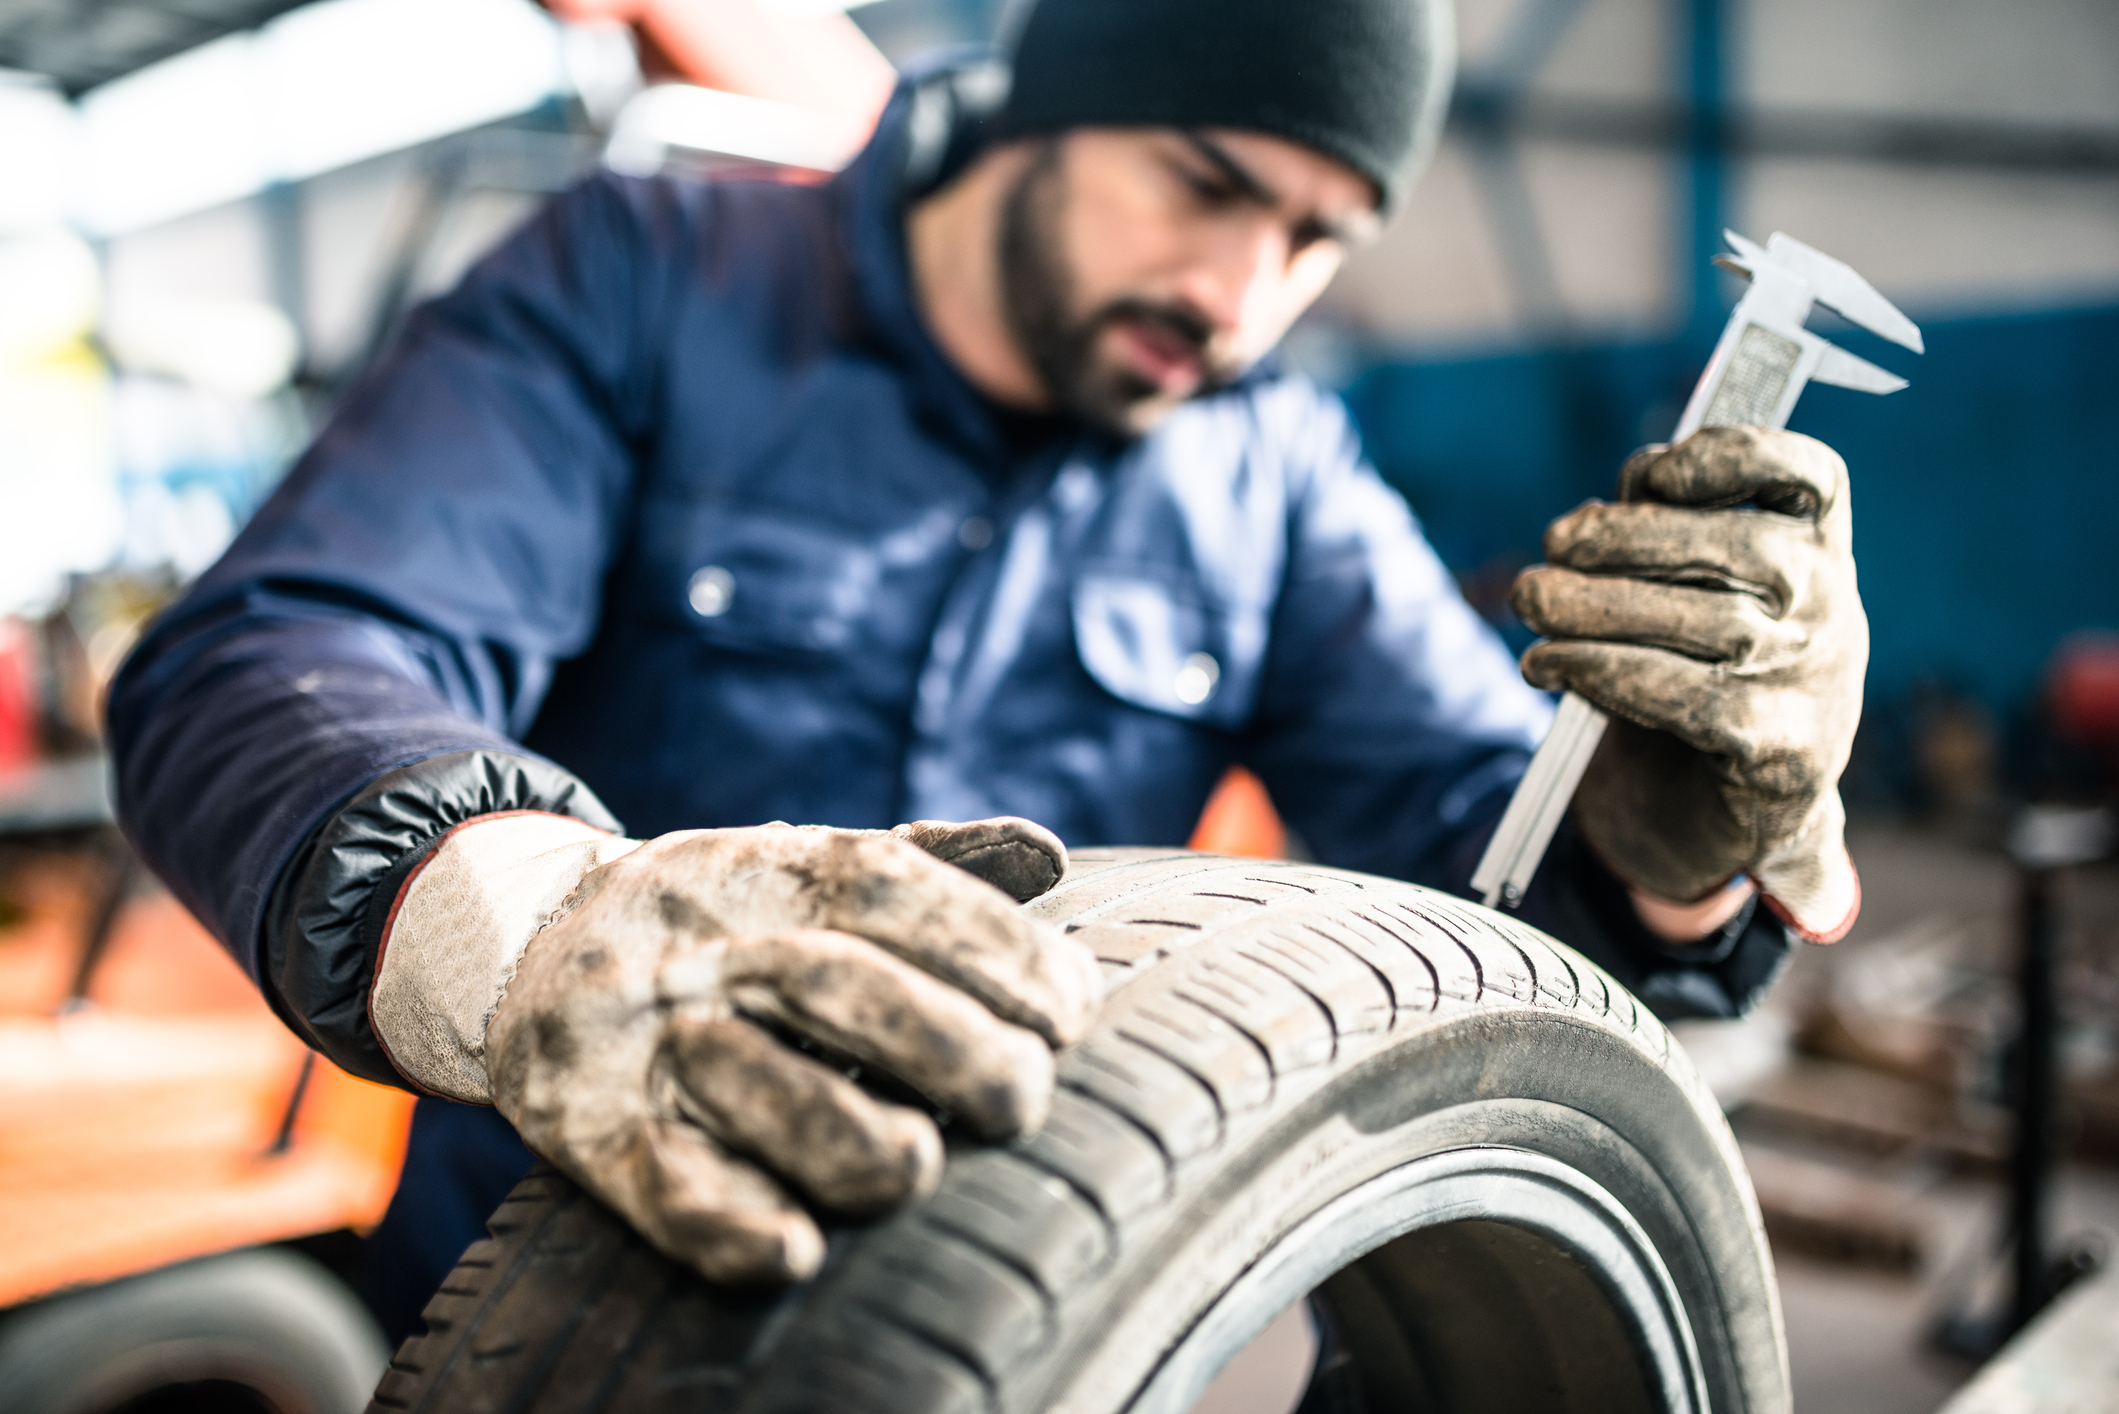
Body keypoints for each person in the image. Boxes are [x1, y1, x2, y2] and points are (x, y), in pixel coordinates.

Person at [108, 0, 1866, 1338]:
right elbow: (277, 654)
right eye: (1210, 185)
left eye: (1319, 239)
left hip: (1016, 1322)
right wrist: (541, 927)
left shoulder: (1266, 473)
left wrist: (1668, 849)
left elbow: (1495, 868)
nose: (1247, 295)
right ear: (1053, 100)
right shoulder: (647, 281)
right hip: (542, 1294)